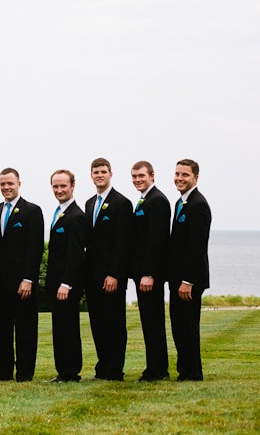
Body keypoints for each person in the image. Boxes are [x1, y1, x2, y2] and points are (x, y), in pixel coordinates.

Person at [0, 168, 44, 382]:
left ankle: (24, 373)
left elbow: (35, 248)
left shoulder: (32, 211)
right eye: (3, 184)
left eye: (10, 183)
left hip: (23, 282)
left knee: (25, 329)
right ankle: (2, 373)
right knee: (1, 329)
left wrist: (28, 279)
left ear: (19, 183)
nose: (6, 187)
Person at [84, 157, 133, 381]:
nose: (99, 175)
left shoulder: (122, 203)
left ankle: (115, 370)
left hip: (112, 276)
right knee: (98, 324)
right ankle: (102, 367)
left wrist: (114, 274)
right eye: (96, 172)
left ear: (111, 174)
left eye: (103, 171)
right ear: (91, 175)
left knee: (114, 323)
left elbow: (123, 244)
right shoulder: (89, 203)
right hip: (92, 276)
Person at [169, 159, 211, 381]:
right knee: (179, 326)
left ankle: (193, 372)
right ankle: (185, 370)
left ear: (195, 177)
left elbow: (197, 247)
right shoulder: (181, 202)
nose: (179, 178)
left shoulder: (198, 205)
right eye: (177, 174)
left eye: (184, 175)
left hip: (189, 280)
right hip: (178, 278)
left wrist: (188, 280)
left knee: (187, 327)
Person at [130, 161, 171, 382]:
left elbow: (157, 240)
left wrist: (149, 273)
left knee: (154, 322)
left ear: (152, 176)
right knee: (148, 322)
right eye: (134, 176)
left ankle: (157, 370)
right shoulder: (145, 199)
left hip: (149, 276)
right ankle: (153, 367)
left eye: (141, 176)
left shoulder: (157, 201)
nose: (137, 179)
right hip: (142, 274)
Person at [46, 170, 87, 383]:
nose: (59, 190)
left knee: (69, 328)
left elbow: (75, 255)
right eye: (55, 186)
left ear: (72, 186)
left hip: (66, 285)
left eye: (63, 186)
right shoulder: (59, 212)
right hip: (56, 283)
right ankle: (62, 371)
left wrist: (66, 283)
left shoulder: (77, 216)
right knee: (59, 328)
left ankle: (71, 372)